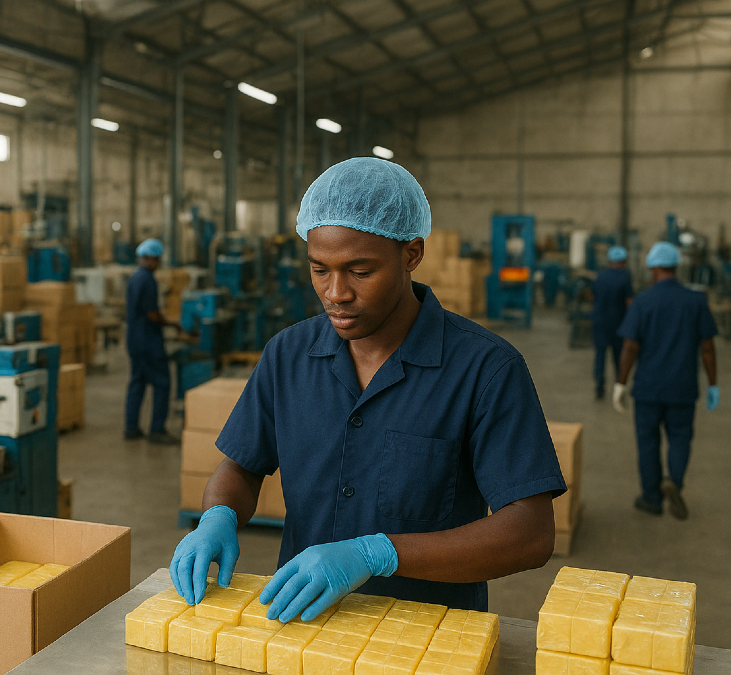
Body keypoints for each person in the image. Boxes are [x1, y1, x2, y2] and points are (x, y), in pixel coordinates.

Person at [168, 157, 565, 620]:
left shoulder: (485, 370)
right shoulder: (288, 355)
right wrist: (219, 516)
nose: (336, 292)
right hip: (304, 627)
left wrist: (378, 554)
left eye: (359, 271)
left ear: (411, 254)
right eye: (320, 269)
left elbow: (530, 534)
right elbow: (241, 466)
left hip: (426, 639)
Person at [613, 242, 718, 520]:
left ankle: (652, 499)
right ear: (675, 266)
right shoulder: (696, 301)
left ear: (654, 267)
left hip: (648, 388)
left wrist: (621, 383)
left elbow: (630, 347)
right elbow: (707, 347)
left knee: (648, 442)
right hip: (683, 388)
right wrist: (713, 384)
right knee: (680, 438)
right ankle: (674, 481)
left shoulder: (643, 301)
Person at [124, 238, 182, 445]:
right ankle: (157, 430)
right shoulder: (147, 280)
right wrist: (172, 324)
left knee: (137, 383)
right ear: (150, 259)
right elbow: (152, 314)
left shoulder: (134, 278)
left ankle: (131, 428)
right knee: (162, 383)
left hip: (134, 340)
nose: (157, 263)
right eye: (156, 259)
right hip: (148, 341)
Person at [591, 245, 633, 399]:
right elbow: (629, 301)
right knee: (618, 356)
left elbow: (593, 296)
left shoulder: (601, 276)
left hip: (600, 322)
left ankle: (599, 387)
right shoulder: (624, 277)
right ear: (623, 261)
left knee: (600, 355)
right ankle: (619, 384)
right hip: (618, 323)